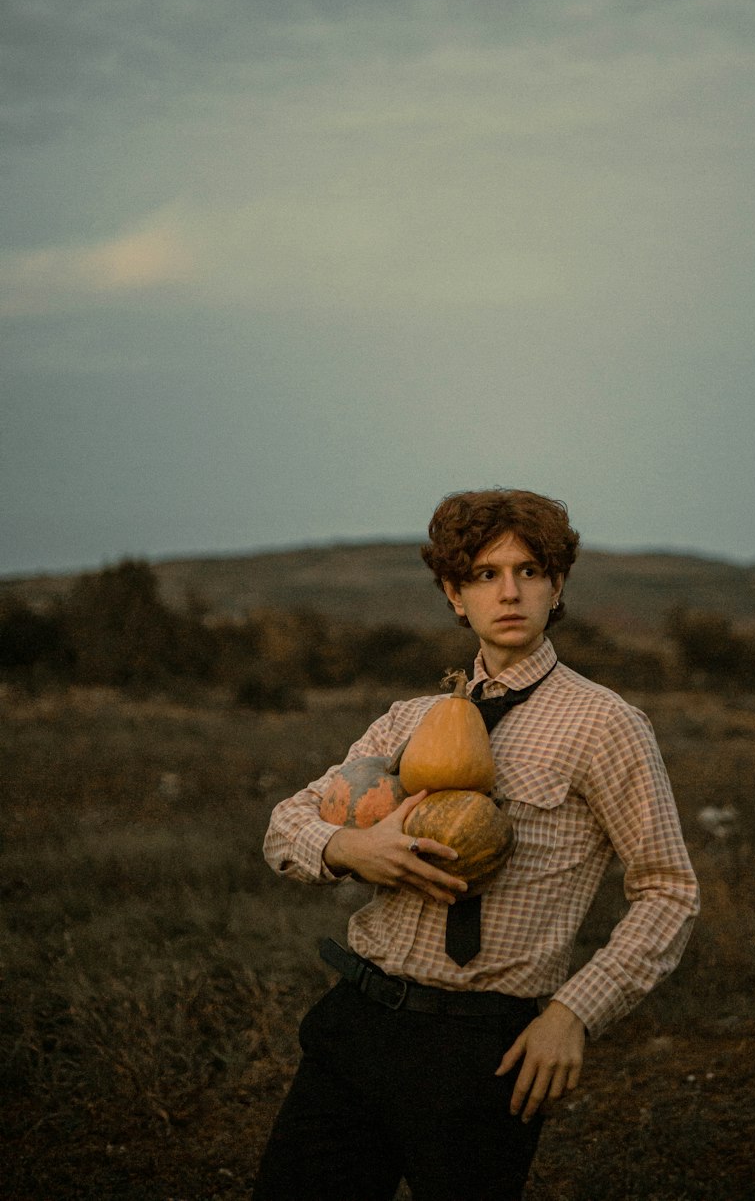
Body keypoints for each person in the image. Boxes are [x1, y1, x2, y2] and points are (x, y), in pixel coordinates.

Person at [253, 489, 698, 1201]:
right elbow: (287, 823)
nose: (509, 590)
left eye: (529, 570)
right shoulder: (409, 720)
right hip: (359, 1024)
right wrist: (348, 850)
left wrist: (573, 1012)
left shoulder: (604, 724)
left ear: (559, 587)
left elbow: (668, 891)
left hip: (487, 1051)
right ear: (455, 596)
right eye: (485, 574)